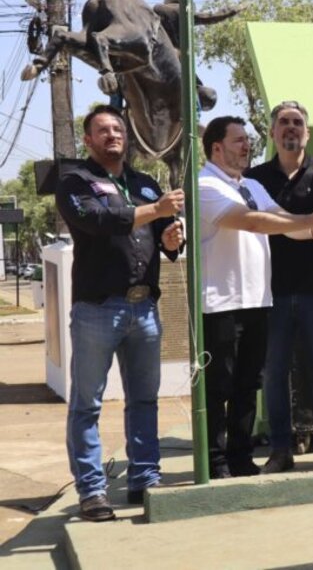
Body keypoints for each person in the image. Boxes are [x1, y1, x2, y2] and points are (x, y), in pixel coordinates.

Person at [56, 105, 185, 521]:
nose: (113, 134)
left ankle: (144, 479)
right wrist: (157, 212)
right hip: (97, 310)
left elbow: (165, 245)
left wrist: (169, 237)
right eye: (103, 130)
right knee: (87, 405)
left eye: (118, 128)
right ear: (88, 140)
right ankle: (93, 491)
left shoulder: (145, 183)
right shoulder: (76, 181)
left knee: (144, 401)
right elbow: (100, 221)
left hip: (144, 306)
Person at [199, 116, 313, 479]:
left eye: (247, 140)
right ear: (217, 147)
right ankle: (214, 461)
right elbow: (254, 222)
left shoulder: (249, 185)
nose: (246, 146)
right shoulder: (204, 184)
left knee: (247, 386)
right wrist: (309, 219)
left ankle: (240, 457)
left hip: (257, 301)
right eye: (238, 140)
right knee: (219, 387)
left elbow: (284, 221)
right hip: (220, 304)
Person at [245, 101, 313, 474]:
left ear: (308, 133)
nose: (291, 128)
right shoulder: (253, 179)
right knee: (274, 373)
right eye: (284, 123)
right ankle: (280, 451)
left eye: (298, 123)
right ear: (272, 132)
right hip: (268, 291)